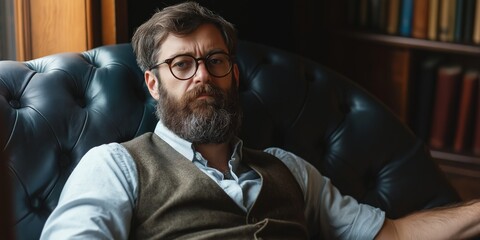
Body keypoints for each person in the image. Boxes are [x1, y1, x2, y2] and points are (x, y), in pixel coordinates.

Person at [40, 2, 480, 239]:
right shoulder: (116, 166)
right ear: (153, 85)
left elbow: (393, 235)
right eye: (181, 65)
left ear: (233, 73)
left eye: (215, 60)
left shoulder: (289, 169)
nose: (202, 76)